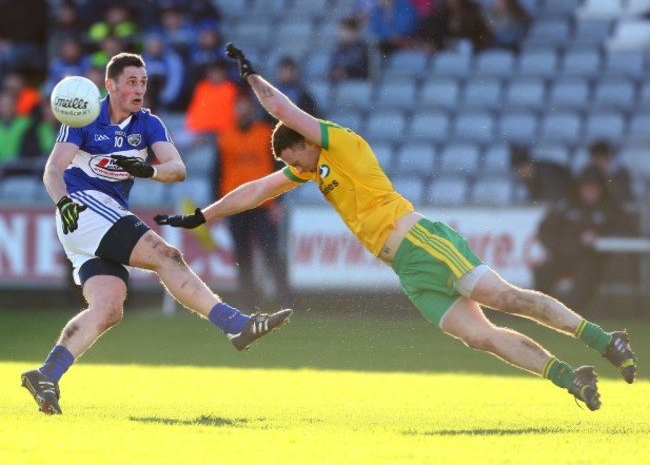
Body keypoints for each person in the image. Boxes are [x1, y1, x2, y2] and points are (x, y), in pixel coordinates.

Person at [156, 43, 638, 412]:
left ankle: (604, 340)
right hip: (407, 271)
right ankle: (570, 378)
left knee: (507, 299)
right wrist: (203, 215)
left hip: (421, 241)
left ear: (304, 145)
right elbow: (255, 191)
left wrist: (253, 77)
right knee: (481, 337)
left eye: (289, 157)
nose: (289, 167)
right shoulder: (310, 168)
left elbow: (283, 111)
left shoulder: (339, 143)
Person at [20, 52, 292, 416]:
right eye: (131, 82)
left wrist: (147, 170)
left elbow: (177, 169)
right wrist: (63, 202)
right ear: (110, 85)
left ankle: (47, 374)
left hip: (102, 217)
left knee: (108, 308)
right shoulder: (85, 115)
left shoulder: (148, 124)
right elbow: (53, 170)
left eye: (143, 82)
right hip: (83, 207)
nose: (139, 89)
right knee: (167, 256)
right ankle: (236, 324)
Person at [214, 92, 293, 309]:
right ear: (234, 110)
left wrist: (278, 200)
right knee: (242, 255)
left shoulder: (265, 133)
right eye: (239, 107)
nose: (243, 111)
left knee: (271, 253)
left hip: (263, 204)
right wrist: (220, 206)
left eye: (246, 107)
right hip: (237, 205)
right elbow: (217, 173)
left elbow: (279, 170)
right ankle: (248, 302)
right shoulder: (225, 136)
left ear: (251, 109)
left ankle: (286, 299)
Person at [534, 167, 634, 312]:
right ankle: (543, 311)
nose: (589, 193)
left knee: (587, 272)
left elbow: (625, 229)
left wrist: (599, 237)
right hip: (564, 253)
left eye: (593, 188)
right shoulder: (567, 205)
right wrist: (551, 248)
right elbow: (546, 229)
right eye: (586, 188)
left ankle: (571, 313)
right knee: (542, 270)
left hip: (592, 258)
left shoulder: (610, 207)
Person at [510, 145, 574, 203]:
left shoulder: (546, 173)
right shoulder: (528, 177)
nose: (521, 172)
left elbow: (549, 198)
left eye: (523, 168)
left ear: (530, 165)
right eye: (518, 170)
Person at [586, 139, 634, 203]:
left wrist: (608, 177)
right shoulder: (591, 172)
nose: (595, 162)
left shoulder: (620, 173)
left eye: (599, 158)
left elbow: (613, 189)